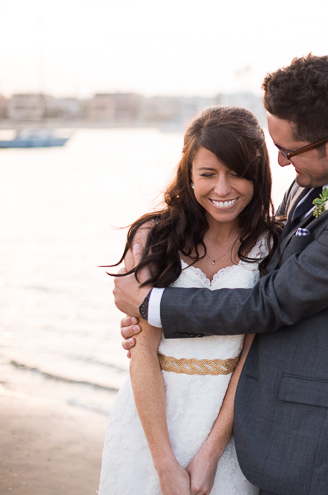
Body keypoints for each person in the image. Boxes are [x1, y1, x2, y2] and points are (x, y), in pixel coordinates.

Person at [114, 55, 328, 495]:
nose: (277, 162)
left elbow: (271, 302)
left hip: (313, 435)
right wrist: (144, 321)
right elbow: (264, 269)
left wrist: (151, 304)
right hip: (262, 421)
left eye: (288, 151)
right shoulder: (311, 179)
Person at [100, 106, 281, 495]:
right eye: (208, 174)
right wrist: (164, 464)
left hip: (228, 424)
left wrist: (212, 452)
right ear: (189, 174)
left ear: (258, 174)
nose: (222, 189)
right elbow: (143, 349)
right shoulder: (154, 236)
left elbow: (252, 356)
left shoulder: (272, 246)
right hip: (151, 421)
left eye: (237, 172)